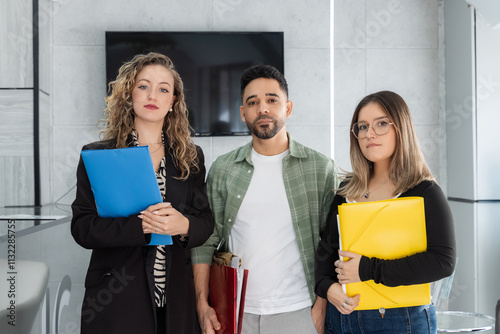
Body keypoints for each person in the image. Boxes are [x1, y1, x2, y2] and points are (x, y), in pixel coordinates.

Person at [71, 52, 214, 334]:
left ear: (173, 101)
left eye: (164, 89)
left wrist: (183, 225)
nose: (153, 95)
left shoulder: (191, 157)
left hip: (176, 300)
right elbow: (82, 228)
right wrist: (142, 227)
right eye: (143, 85)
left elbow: (205, 221)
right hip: (117, 300)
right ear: (129, 94)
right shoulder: (99, 155)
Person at [191, 64, 338, 334]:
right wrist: (202, 304)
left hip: (299, 312)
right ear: (243, 113)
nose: (263, 109)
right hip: (235, 312)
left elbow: (331, 243)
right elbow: (206, 241)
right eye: (253, 102)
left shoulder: (321, 168)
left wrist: (321, 305)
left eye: (272, 100)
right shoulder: (224, 168)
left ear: (288, 108)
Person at [315, 90, 456, 334]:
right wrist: (327, 288)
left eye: (381, 124)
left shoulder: (424, 191)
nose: (369, 134)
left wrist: (367, 270)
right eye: (362, 127)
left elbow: (442, 262)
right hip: (343, 319)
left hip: (403, 321)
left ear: (401, 128)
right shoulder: (346, 190)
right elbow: (326, 251)